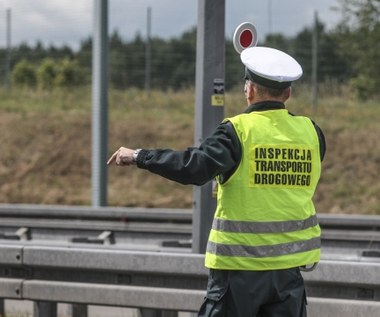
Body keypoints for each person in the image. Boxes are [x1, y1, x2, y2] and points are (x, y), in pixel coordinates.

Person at [107, 46, 326, 317]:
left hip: (239, 274)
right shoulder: (312, 133)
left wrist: (140, 156)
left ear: (249, 90)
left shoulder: (237, 132)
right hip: (289, 275)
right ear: (289, 93)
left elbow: (194, 167)